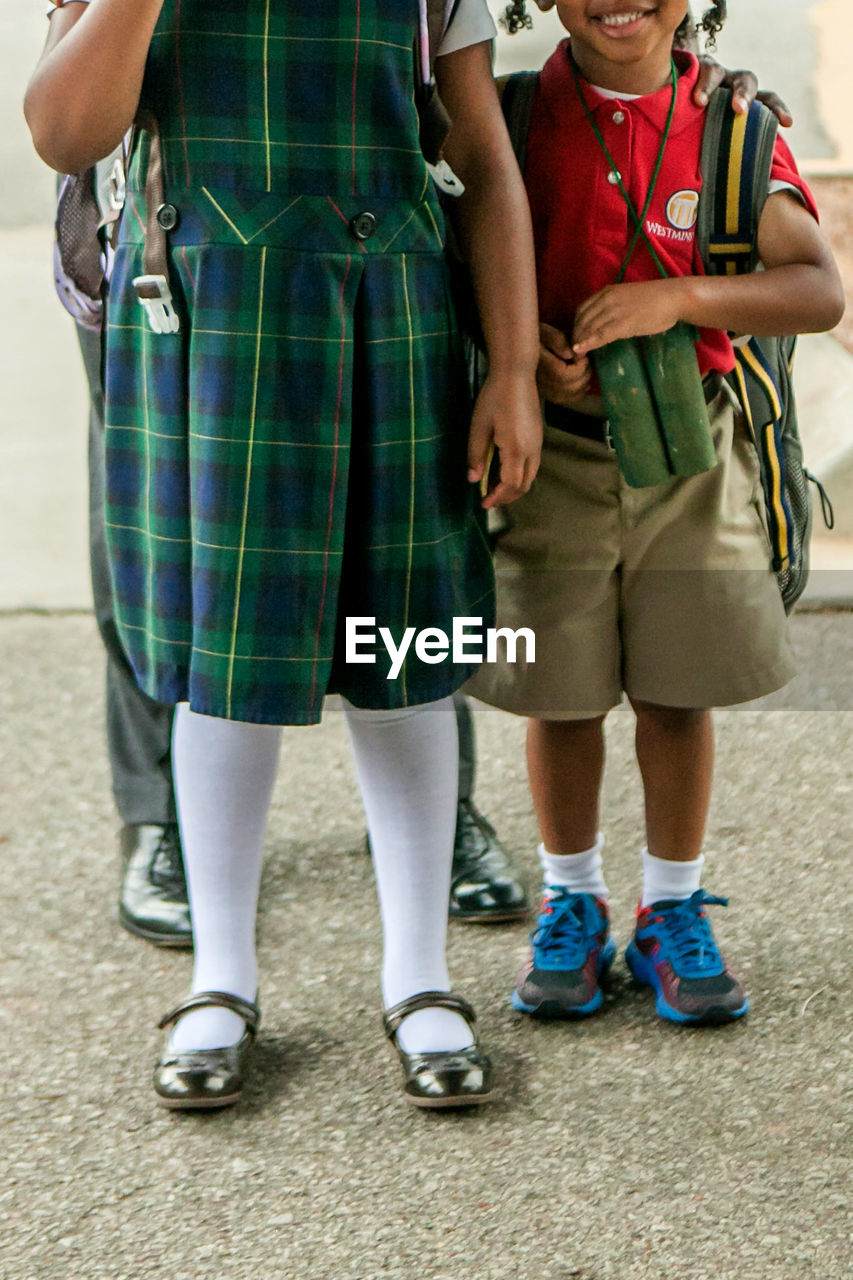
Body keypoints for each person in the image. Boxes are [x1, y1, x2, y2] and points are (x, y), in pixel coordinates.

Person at [26, 0, 542, 1109]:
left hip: (395, 310)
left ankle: (420, 979)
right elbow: (65, 131)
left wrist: (510, 368)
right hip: (206, 326)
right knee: (222, 667)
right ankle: (222, 982)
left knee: (401, 653)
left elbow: (482, 159)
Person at [469, 0, 844, 1024]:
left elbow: (815, 288)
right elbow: (460, 260)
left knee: (679, 693)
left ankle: (670, 904)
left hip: (693, 466)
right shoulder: (504, 119)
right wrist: (516, 347)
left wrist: (677, 299)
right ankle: (573, 899)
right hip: (552, 462)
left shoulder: (729, 131)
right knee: (563, 694)